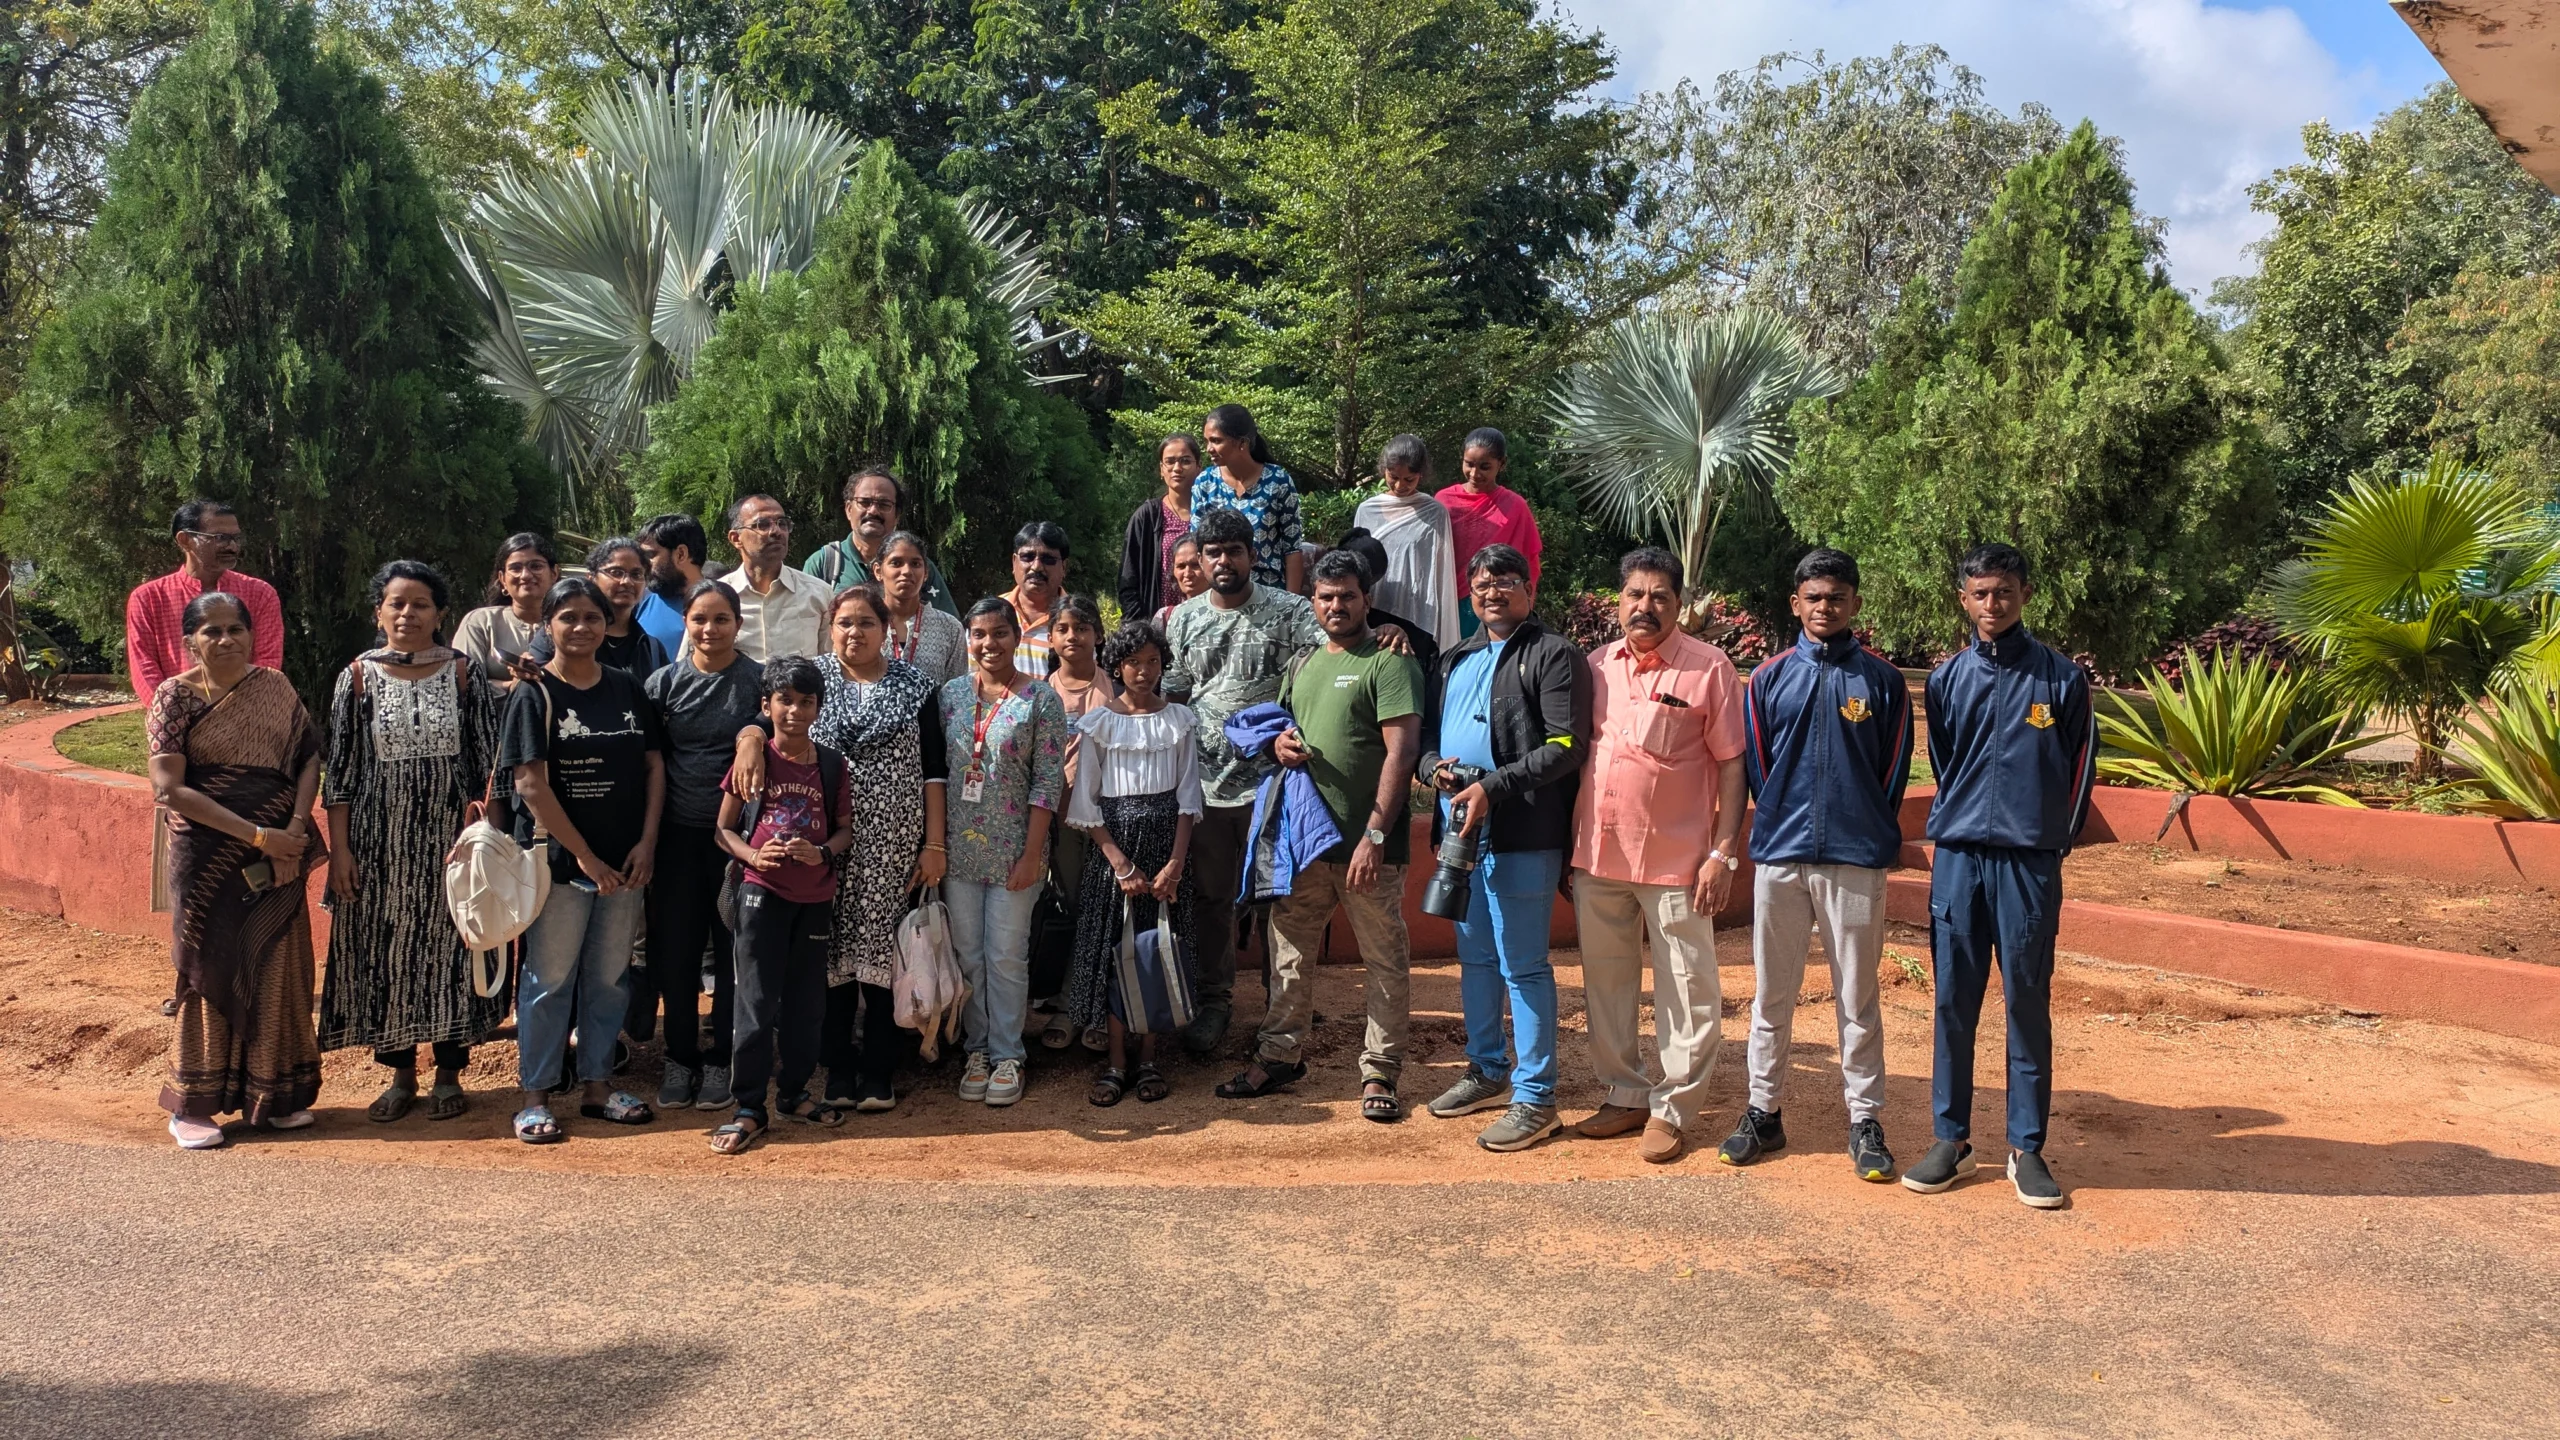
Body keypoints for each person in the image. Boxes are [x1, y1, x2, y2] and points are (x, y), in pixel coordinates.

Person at [1906, 543, 2094, 1210]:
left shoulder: (2061, 680)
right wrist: (1966, 827)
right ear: (1964, 600)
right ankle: (1950, 1139)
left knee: (2026, 1000)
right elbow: (1946, 761)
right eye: (1981, 593)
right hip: (1960, 859)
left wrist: (2046, 846)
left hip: (2028, 863)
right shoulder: (1946, 680)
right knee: (1954, 1000)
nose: (1994, 603)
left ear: (2025, 594)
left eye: (2005, 591)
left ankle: (2026, 1147)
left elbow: (2078, 774)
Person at [1726, 548, 1913, 1181]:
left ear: (1854, 603)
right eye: (1814, 597)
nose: (1825, 607)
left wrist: (1863, 826)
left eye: (1836, 597)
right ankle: (1763, 1111)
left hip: (1855, 859)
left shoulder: (1883, 682)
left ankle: (1865, 1119)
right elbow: (1759, 767)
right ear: (1795, 603)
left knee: (1857, 996)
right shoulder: (1768, 678)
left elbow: (1891, 773)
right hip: (1781, 855)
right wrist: (1784, 818)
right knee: (1771, 994)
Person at [734, 585, 950, 1113]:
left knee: (882, 950)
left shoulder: (916, 686)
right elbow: (765, 721)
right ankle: (836, 1067)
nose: (855, 632)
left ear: (886, 629)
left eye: (866, 623)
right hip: (818, 841)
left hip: (893, 844)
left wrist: (934, 843)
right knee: (825, 955)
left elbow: (934, 771)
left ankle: (878, 1069)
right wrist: (749, 739)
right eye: (845, 623)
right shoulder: (813, 679)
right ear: (830, 629)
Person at [1567, 548, 1748, 1166]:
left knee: (1688, 989)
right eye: (1635, 595)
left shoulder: (1708, 667)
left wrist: (1722, 852)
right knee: (1606, 984)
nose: (1645, 607)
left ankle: (1672, 1109)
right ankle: (1625, 1092)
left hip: (1678, 861)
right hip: (1599, 855)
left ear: (1679, 604)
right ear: (1619, 600)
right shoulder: (1596, 666)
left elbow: (1732, 765)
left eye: (1660, 597)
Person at [1228, 550, 1422, 1122]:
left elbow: (1402, 753)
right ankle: (1279, 1056)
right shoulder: (1304, 662)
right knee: (1288, 953)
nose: (1336, 606)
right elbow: (1283, 727)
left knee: (1384, 961)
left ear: (1367, 600)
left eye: (1347, 596)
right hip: (1304, 845)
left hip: (1368, 849)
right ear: (1312, 601)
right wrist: (1277, 744)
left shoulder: (1388, 662)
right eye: (1326, 597)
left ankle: (1380, 1071)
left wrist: (1375, 837)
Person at [318, 560, 507, 1125]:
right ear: (378, 612)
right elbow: (340, 774)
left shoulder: (464, 674)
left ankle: (449, 1074)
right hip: (378, 848)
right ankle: (400, 1075)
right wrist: (340, 852)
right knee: (386, 955)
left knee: (455, 952)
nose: (407, 614)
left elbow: (488, 768)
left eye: (420, 604)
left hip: (452, 846)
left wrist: (489, 841)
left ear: (440, 614)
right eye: (396, 604)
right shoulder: (356, 678)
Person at [1420, 542, 1589, 1152]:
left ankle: (1536, 1097)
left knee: (1523, 964)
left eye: (1506, 582)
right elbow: (1426, 740)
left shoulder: (1553, 654)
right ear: (1470, 594)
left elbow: (1566, 746)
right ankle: (1487, 1069)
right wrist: (1434, 769)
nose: (1492, 592)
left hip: (1522, 832)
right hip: (1460, 832)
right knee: (1476, 960)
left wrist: (1492, 787)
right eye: (1482, 584)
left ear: (1529, 591)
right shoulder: (1455, 658)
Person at [147, 593, 322, 1148]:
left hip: (281, 852)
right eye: (211, 631)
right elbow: (169, 788)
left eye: (235, 629)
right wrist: (258, 836)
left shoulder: (275, 687)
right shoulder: (174, 697)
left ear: (251, 635)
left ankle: (274, 1095)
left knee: (277, 965)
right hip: (207, 857)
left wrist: (292, 832)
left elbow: (308, 759)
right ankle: (194, 1105)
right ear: (189, 642)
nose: (225, 640)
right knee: (209, 964)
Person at [500, 577, 668, 1144]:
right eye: (567, 617)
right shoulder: (534, 693)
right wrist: (586, 857)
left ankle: (598, 1087)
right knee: (549, 980)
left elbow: (653, 766)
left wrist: (647, 842)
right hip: (561, 866)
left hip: (625, 863)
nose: (581, 627)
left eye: (591, 617)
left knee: (609, 978)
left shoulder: (626, 687)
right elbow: (530, 784)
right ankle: (536, 1097)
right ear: (547, 626)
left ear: (606, 624)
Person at [1159, 507, 1324, 1056]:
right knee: (1212, 899)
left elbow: (1337, 650)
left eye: (1234, 550)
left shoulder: (1291, 611)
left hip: (1273, 786)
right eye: (1213, 552)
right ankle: (1215, 1002)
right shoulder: (1182, 620)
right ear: (1201, 559)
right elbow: (1176, 695)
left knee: (1278, 899)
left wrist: (1388, 631)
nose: (1224, 561)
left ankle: (1283, 1003)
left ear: (1253, 555)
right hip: (1206, 786)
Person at [709, 657, 858, 1152]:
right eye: (784, 701)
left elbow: (844, 831)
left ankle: (793, 1095)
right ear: (766, 705)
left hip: (815, 896)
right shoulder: (755, 761)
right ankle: (748, 1108)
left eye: (806, 702)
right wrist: (754, 855)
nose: (794, 711)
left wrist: (822, 852)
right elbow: (723, 829)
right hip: (761, 892)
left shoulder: (832, 765)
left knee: (806, 1005)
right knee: (755, 1002)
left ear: (818, 707)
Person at [1061, 621, 1201, 1105]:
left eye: (1153, 662)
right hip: (1114, 853)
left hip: (1166, 853)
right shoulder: (1099, 724)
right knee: (1115, 955)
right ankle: (1116, 1062)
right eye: (1133, 662)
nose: (1144, 671)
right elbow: (1086, 805)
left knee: (1153, 952)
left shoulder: (1180, 720)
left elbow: (1188, 800)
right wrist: (1120, 863)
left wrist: (1174, 865)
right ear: (1117, 667)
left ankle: (1149, 1059)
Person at [639, 580, 764, 1113]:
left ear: (738, 624)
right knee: (677, 952)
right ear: (686, 624)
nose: (710, 629)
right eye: (699, 619)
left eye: (721, 619)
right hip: (676, 837)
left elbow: (776, 727)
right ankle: (680, 1056)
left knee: (733, 948)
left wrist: (753, 733)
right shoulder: (662, 684)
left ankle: (722, 1060)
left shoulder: (758, 680)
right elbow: (648, 759)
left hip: (737, 841)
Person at [941, 598, 1067, 1107]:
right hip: (958, 851)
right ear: (968, 640)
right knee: (969, 955)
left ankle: (1009, 1053)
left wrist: (1033, 854)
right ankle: (977, 1050)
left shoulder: (1041, 699)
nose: (988, 643)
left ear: (1016, 637)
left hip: (1016, 849)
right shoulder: (950, 695)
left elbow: (1047, 782)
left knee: (1006, 956)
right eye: (978, 634)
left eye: (999, 633)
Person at [1036, 594, 1117, 1048]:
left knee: (1105, 908)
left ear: (1098, 635)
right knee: (1076, 909)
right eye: (1063, 629)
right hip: (1061, 821)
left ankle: (1096, 1008)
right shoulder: (1038, 693)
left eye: (1082, 628)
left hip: (1109, 819)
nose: (1073, 636)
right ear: (1050, 638)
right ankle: (1070, 1004)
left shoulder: (1116, 691)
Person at [126, 500, 285, 698]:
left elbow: (268, 662)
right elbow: (144, 669)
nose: (232, 546)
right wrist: (173, 710)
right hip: (176, 713)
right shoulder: (148, 598)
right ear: (185, 540)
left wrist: (238, 709)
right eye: (220, 538)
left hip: (247, 711)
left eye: (236, 538)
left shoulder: (260, 593)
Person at [1353, 434, 1460, 652]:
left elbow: (1441, 572)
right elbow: (1357, 566)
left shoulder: (1434, 513)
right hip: (1374, 609)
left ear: (1421, 475)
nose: (1400, 485)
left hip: (1416, 614)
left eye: (1409, 479)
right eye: (1393, 477)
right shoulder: (1367, 510)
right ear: (1383, 470)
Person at [804, 467, 960, 616]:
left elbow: (948, 626)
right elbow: (807, 624)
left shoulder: (916, 567)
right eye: (864, 502)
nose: (873, 511)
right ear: (849, 509)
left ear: (897, 515)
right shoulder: (824, 563)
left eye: (884, 504)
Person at [1437, 429, 1542, 638]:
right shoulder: (1443, 501)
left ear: (1501, 464)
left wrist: (1525, 606)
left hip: (1495, 602)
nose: (1475, 474)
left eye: (1485, 467)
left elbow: (1529, 562)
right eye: (1469, 464)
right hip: (1448, 601)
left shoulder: (1515, 506)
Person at [1192, 403, 1306, 594]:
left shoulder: (1278, 481)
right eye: (1207, 441)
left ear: (1242, 443)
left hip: (1269, 594)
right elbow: (1197, 547)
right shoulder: (1205, 483)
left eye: (1216, 441)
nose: (1209, 448)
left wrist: (1291, 603)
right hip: (1221, 595)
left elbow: (1292, 549)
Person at [528, 538, 670, 678]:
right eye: (616, 572)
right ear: (591, 578)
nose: (627, 581)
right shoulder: (562, 635)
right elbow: (535, 680)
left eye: (636, 574)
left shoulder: (651, 648)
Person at [721, 493, 834, 662]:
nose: (776, 532)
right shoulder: (717, 598)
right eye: (762, 524)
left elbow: (831, 664)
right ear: (736, 538)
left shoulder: (818, 594)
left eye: (782, 523)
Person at [453, 533, 559, 687]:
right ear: (502, 579)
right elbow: (464, 683)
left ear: (554, 573)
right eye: (515, 568)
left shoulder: (571, 624)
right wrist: (514, 687)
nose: (525, 575)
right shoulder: (481, 622)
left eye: (536, 566)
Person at [1118, 434, 1203, 621]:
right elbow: (1128, 579)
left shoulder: (1209, 513)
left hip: (1205, 619)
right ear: (1161, 469)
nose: (1177, 468)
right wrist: (1138, 626)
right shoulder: (1148, 516)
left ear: (1199, 467)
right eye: (1170, 462)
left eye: (1185, 461)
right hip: (1158, 622)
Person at [878, 530, 967, 688]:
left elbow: (957, 691)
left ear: (926, 573)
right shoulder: (863, 623)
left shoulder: (950, 628)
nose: (906, 571)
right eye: (896, 563)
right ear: (878, 571)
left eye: (915, 564)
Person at [634, 513, 709, 658]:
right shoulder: (640, 602)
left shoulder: (725, 603)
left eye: (650, 555)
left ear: (681, 554)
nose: (643, 564)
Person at [1003, 521, 1070, 680]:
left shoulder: (1079, 621)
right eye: (1028, 557)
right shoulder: (991, 616)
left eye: (1048, 559)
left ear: (1064, 567)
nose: (1037, 566)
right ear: (1014, 562)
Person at [1155, 536, 1207, 629]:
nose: (1188, 574)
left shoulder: (1228, 614)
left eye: (1195, 565)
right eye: (1181, 566)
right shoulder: (1165, 618)